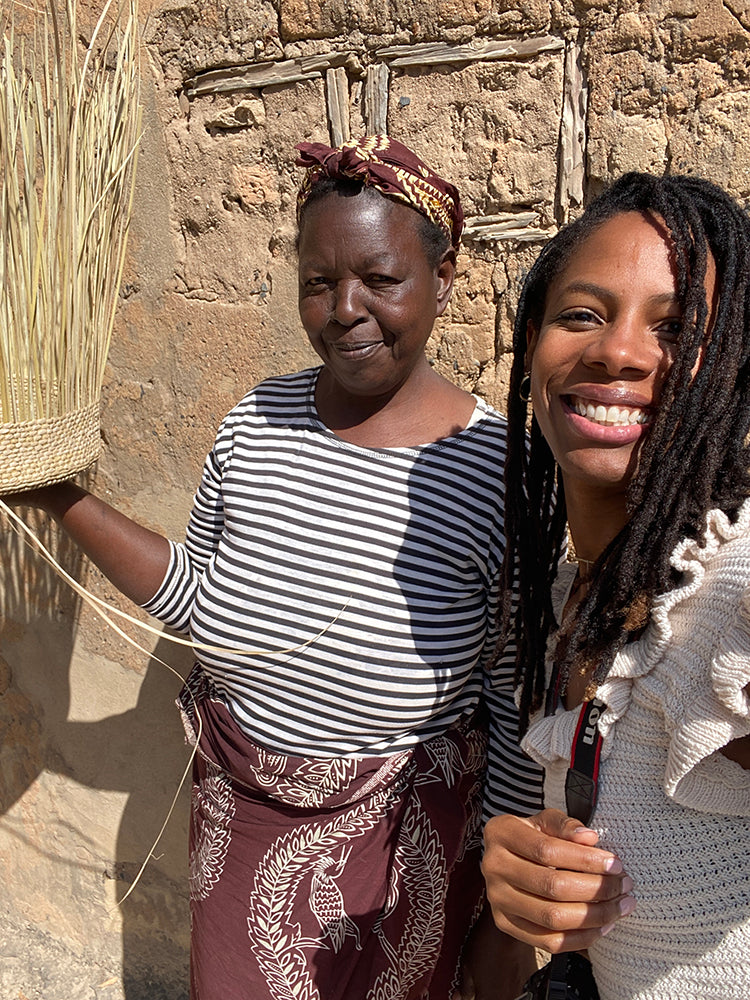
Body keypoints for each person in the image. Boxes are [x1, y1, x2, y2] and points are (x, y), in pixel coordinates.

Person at [6, 135, 542, 1000]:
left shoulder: (495, 469)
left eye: (381, 278)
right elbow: (197, 602)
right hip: (240, 814)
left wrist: (503, 918)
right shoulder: (256, 424)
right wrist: (60, 499)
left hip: (398, 858)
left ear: (444, 280)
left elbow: (515, 701)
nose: (345, 309)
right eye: (318, 283)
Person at [480, 172, 750, 999]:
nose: (619, 351)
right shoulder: (580, 591)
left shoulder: (726, 586)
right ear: (530, 341)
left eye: (676, 328)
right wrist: (526, 864)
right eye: (582, 315)